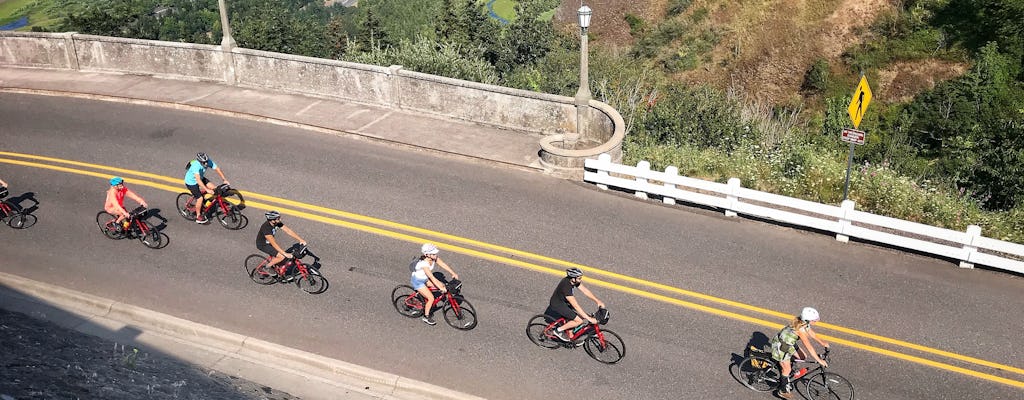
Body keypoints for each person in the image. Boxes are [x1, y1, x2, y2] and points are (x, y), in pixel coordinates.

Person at [770, 307, 830, 399]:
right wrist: (819, 360)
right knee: (787, 370)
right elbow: (809, 347)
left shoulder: (804, 323)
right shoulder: (800, 330)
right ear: (808, 320)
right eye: (814, 320)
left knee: (802, 357)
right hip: (781, 346)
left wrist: (822, 342)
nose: (816, 322)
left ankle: (785, 364)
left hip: (789, 343)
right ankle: (782, 391)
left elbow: (812, 333)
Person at [546, 268, 605, 342]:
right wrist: (589, 319)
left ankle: (570, 335)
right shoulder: (566, 287)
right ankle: (558, 331)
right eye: (579, 278)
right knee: (579, 321)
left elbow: (585, 290)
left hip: (564, 302)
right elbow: (575, 305)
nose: (580, 280)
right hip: (558, 305)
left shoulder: (573, 281)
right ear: (573, 278)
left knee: (581, 316)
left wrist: (597, 301)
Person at [409, 243, 459, 326]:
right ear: (427, 254)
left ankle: (423, 299)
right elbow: (431, 277)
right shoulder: (424, 264)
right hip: (418, 281)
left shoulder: (433, 258)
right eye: (433, 253)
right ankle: (426, 317)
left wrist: (453, 273)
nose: (435, 255)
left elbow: (443, 264)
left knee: (442, 286)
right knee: (431, 298)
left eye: (435, 253)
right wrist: (440, 287)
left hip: (425, 278)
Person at [256, 211, 306, 279]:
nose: (280, 220)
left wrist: (300, 239)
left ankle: (277, 266)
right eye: (278, 218)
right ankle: (267, 267)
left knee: (279, 257)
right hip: (263, 245)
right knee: (281, 257)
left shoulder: (276, 223)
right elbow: (274, 244)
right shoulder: (266, 228)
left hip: (269, 242)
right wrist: (285, 254)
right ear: (272, 220)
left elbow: (288, 231)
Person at [184, 152, 230, 224]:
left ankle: (211, 202)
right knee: (200, 198)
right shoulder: (196, 166)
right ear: (199, 161)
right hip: (191, 182)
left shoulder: (208, 161)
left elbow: (217, 169)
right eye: (203, 162)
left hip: (200, 178)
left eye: (206, 161)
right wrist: (207, 190)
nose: (206, 164)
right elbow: (198, 180)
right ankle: (198, 216)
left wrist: (224, 179)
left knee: (215, 188)